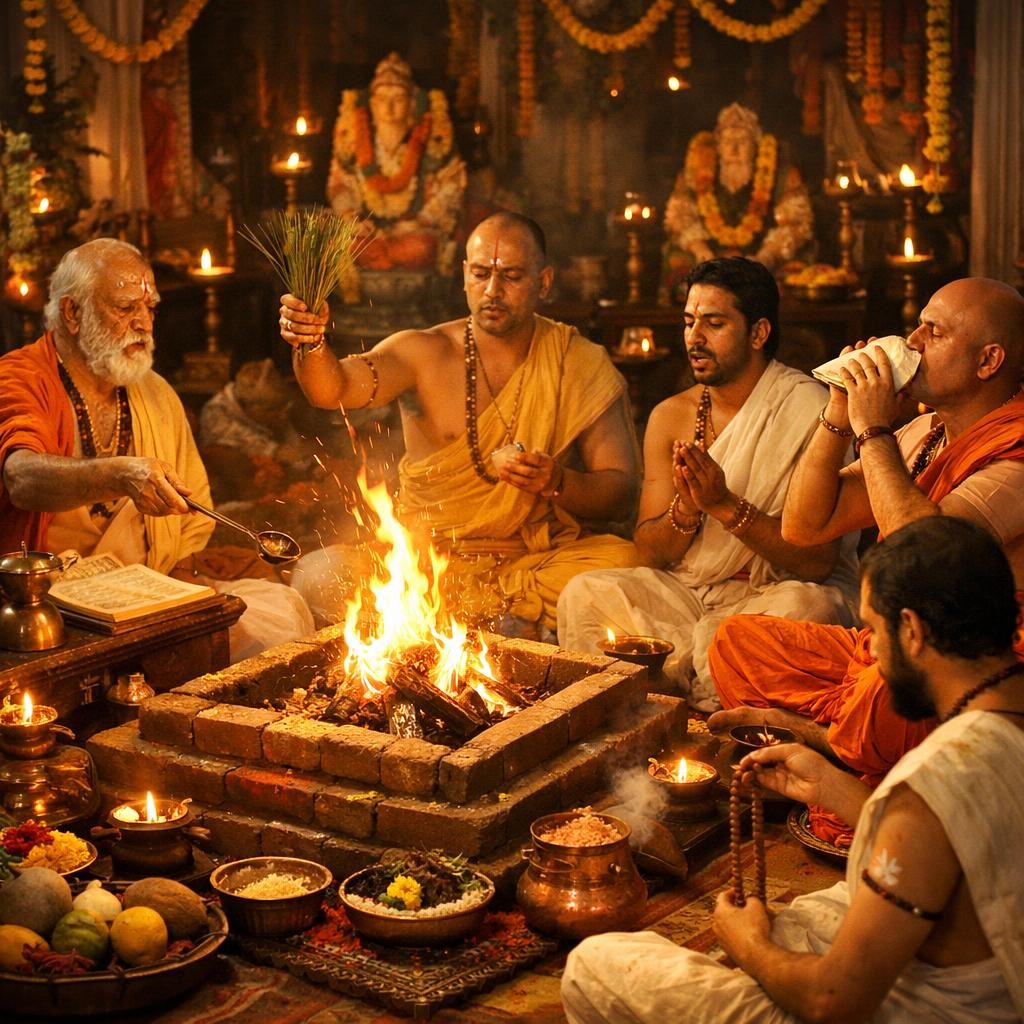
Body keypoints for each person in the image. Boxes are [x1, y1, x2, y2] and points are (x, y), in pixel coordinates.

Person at [562, 516, 1024, 1024]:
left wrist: (749, 945)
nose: (868, 649)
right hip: (982, 960)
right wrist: (831, 787)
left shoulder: (932, 783)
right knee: (802, 921)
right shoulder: (995, 729)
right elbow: (951, 844)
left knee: (595, 964)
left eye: (873, 629)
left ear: (912, 631)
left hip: (929, 1011)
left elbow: (833, 1002)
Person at [708, 276, 1024, 845]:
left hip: (981, 665)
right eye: (919, 323)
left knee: (882, 696)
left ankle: (826, 742)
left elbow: (927, 570)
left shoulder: (1018, 450)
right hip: (898, 645)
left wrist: (875, 428)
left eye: (935, 330)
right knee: (737, 642)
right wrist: (839, 412)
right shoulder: (928, 430)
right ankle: (850, 747)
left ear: (989, 360)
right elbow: (807, 525)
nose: (913, 340)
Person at [279, 211, 641, 639]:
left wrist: (557, 481)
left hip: (531, 562)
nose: (493, 291)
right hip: (426, 561)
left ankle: (487, 621)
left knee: (627, 561)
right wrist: (312, 342)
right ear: (464, 276)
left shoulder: (577, 361)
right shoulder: (423, 351)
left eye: (511, 276)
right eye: (482, 274)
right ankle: (507, 626)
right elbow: (333, 389)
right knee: (317, 574)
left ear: (543, 281)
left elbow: (619, 492)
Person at [557, 258, 856, 708]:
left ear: (758, 333)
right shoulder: (670, 416)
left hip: (772, 595)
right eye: (689, 322)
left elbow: (816, 562)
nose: (694, 339)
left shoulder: (810, 411)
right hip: (691, 594)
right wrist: (687, 510)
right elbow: (650, 552)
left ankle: (687, 691)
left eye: (714, 323)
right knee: (586, 594)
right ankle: (684, 692)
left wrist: (725, 506)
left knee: (810, 612)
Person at [0, 238, 314, 661]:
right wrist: (122, 475)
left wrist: (184, 585)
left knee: (281, 623)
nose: (144, 324)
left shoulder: (155, 393)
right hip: (50, 608)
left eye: (150, 309)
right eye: (125, 308)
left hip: (147, 594)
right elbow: (21, 478)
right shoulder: (20, 378)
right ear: (73, 313)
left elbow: (189, 521)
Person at [327, 51, 466, 277]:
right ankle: (381, 254)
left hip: (414, 234)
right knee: (336, 245)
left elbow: (452, 186)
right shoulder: (353, 141)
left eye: (398, 99)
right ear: (372, 104)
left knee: (421, 248)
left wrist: (420, 221)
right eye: (382, 99)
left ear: (412, 104)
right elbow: (339, 183)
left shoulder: (433, 141)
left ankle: (380, 256)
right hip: (367, 233)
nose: (389, 108)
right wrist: (353, 219)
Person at [661, 103, 813, 302]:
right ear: (718, 146)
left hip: (761, 257)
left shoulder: (782, 173)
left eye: (742, 141)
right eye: (727, 142)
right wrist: (698, 247)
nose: (734, 149)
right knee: (679, 265)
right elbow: (679, 215)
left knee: (793, 274)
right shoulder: (696, 171)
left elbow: (796, 222)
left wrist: (767, 256)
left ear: (756, 145)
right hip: (708, 257)